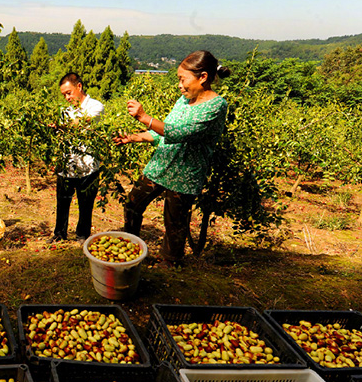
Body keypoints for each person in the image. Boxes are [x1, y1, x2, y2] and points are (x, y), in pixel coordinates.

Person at [113, 50, 230, 266]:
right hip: (161, 166)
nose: (180, 85)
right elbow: (164, 131)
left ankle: (171, 263)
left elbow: (179, 133)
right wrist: (134, 137)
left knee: (175, 222)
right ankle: (131, 247)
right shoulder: (183, 101)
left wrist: (142, 116)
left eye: (183, 79)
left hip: (185, 175)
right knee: (132, 203)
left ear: (202, 77)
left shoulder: (216, 106)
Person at [49, 72, 105, 243]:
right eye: (64, 95)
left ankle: (82, 235)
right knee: (62, 203)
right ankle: (59, 233)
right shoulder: (65, 111)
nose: (66, 97)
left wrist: (60, 125)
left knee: (86, 204)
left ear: (79, 87)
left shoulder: (96, 106)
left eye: (68, 93)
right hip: (67, 166)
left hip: (88, 166)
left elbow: (82, 122)